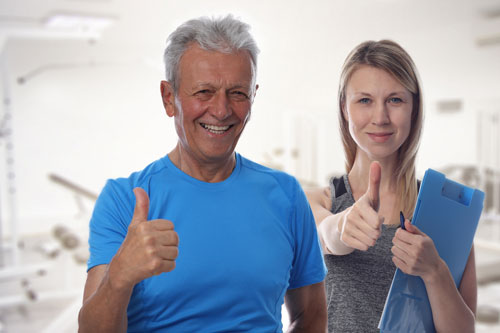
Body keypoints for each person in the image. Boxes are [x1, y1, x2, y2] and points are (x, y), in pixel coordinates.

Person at [78, 15, 327, 332]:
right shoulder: (123, 199)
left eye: (237, 92)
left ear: (253, 96)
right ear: (169, 98)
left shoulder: (286, 195)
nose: (222, 110)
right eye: (204, 92)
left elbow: (312, 316)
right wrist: (119, 278)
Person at [306, 40, 476, 333]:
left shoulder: (447, 214)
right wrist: (342, 226)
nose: (380, 117)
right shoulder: (317, 202)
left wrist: (435, 272)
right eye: (364, 100)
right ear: (344, 109)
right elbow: (326, 234)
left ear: (414, 108)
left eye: (395, 100)